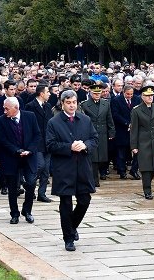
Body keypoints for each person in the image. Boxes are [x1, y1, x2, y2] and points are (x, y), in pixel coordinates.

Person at [46, 89, 99, 252]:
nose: (71, 105)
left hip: (82, 167)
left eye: (74, 102)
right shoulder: (54, 122)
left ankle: (72, 226)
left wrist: (86, 145)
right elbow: (50, 145)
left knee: (85, 200)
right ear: (62, 104)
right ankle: (68, 238)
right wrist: (69, 147)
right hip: (64, 169)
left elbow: (94, 139)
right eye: (68, 103)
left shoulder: (85, 119)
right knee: (66, 203)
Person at [0, 97, 41, 224]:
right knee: (12, 187)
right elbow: (2, 140)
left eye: (6, 108)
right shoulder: (1, 120)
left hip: (29, 156)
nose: (4, 111)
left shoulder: (30, 116)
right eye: (4, 108)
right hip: (11, 157)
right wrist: (16, 150)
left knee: (31, 183)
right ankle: (14, 213)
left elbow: (37, 135)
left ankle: (27, 210)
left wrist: (30, 150)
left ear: (16, 108)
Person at [130, 83, 154, 200]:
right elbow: (134, 129)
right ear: (142, 96)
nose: (150, 97)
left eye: (151, 95)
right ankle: (147, 190)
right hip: (143, 142)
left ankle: (148, 184)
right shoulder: (136, 110)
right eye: (147, 96)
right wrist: (134, 146)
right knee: (145, 167)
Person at [80, 80, 115, 187]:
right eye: (94, 93)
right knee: (93, 157)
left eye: (98, 93)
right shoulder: (84, 105)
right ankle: (94, 179)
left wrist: (111, 131)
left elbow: (109, 118)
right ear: (90, 93)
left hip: (103, 133)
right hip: (90, 133)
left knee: (102, 157)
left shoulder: (106, 103)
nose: (97, 95)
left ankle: (100, 175)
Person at [25, 84, 54, 202]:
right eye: (47, 92)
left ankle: (42, 193)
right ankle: (29, 186)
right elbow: (27, 125)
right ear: (41, 93)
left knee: (46, 170)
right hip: (36, 142)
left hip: (48, 141)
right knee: (39, 166)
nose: (49, 94)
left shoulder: (48, 106)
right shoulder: (30, 106)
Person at [111, 84, 141, 179]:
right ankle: (122, 171)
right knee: (121, 153)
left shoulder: (137, 99)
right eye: (127, 94)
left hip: (135, 130)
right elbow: (115, 114)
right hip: (122, 130)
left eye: (131, 94)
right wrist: (126, 123)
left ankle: (134, 170)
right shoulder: (116, 100)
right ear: (123, 93)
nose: (129, 96)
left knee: (137, 152)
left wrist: (134, 124)